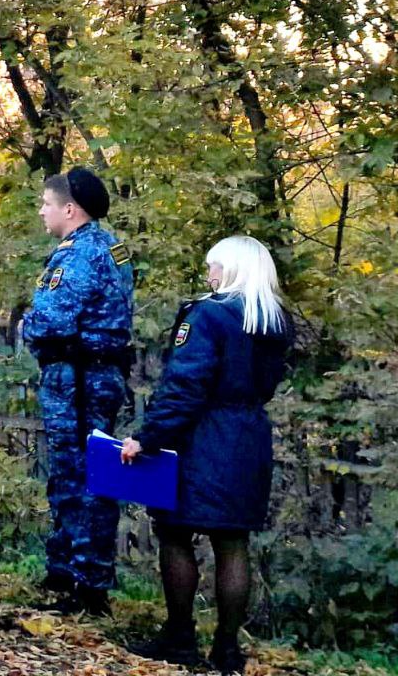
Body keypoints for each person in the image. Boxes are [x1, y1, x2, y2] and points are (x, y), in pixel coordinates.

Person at [121, 235, 291, 674]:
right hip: (249, 437)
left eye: (215, 266)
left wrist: (149, 436)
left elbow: (185, 385)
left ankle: (179, 639)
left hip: (204, 437)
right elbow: (267, 385)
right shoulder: (272, 321)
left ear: (233, 268)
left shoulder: (209, 315)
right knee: (233, 542)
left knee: (175, 532)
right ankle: (227, 649)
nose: (209, 273)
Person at [22, 168, 134, 616]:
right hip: (94, 375)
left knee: (80, 476)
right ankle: (68, 571)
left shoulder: (78, 255)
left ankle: (85, 586)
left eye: (47, 204)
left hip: (79, 380)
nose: (42, 211)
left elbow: (50, 321)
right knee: (86, 473)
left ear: (69, 210)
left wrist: (24, 326)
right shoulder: (112, 247)